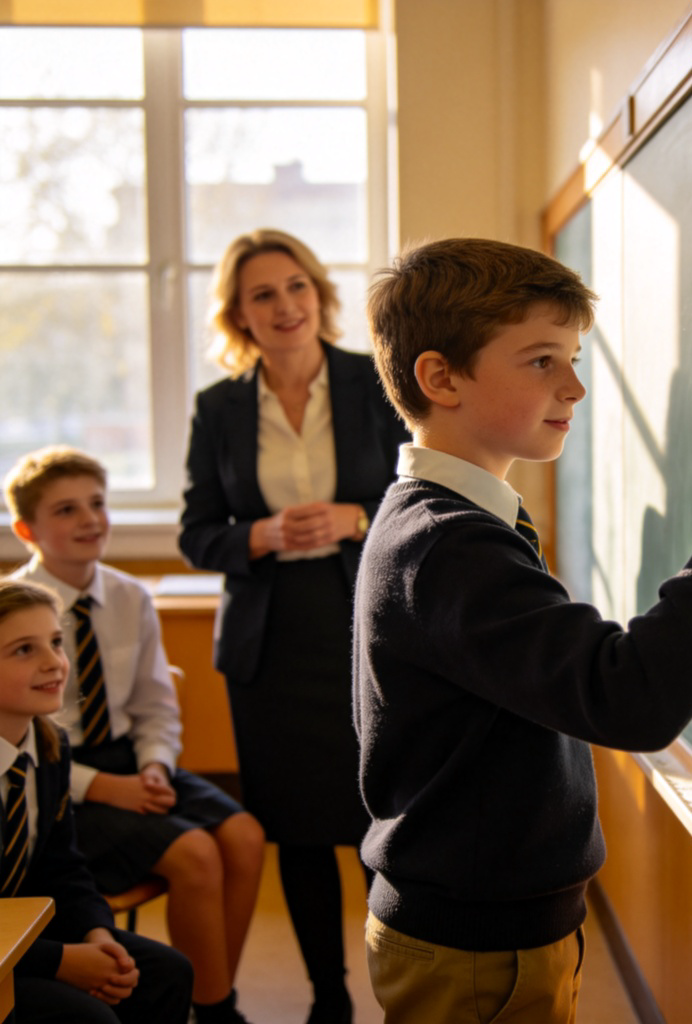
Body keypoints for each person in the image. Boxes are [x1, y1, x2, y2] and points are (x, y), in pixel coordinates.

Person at [353, 237, 692, 1024]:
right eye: (541, 361)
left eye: (572, 359)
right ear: (440, 377)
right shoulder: (447, 545)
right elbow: (629, 697)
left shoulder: (451, 525)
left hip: (493, 934)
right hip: (477, 953)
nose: (573, 386)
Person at [178, 228, 409, 1024]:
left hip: (370, 635)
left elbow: (426, 494)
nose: (284, 306)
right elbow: (196, 532)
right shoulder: (219, 409)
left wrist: (356, 516)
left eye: (296, 287)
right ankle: (328, 998)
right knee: (301, 833)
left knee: (381, 826)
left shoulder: (372, 382)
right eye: (262, 295)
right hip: (269, 651)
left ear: (319, 292)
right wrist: (260, 536)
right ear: (239, 315)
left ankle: (397, 989)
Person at [4, 447, 266, 1024]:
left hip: (129, 757)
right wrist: (104, 788)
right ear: (28, 530)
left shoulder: (130, 596)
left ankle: (214, 993)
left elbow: (155, 703)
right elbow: (26, 745)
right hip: (67, 775)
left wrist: (153, 765)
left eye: (97, 504)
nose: (90, 520)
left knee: (244, 835)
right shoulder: (18, 614)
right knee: (196, 853)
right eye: (67, 509)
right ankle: (217, 1012)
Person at [0, 577, 194, 1023]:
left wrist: (96, 934)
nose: (54, 662)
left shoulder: (49, 746)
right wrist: (60, 961)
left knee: (167, 973)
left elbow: (62, 866)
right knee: (91, 1018)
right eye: (24, 650)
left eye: (55, 642)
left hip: (28, 930)